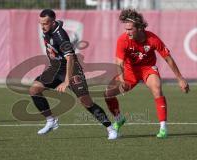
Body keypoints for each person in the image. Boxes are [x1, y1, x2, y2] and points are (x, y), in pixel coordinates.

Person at [29, 9, 117, 140]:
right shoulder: (48, 28)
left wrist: (66, 81)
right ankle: (51, 121)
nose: (42, 26)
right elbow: (59, 22)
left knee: (86, 102)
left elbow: (70, 59)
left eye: (45, 23)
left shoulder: (61, 37)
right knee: (34, 89)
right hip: (55, 68)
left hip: (72, 69)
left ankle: (111, 129)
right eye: (40, 23)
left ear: (52, 23)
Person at [104, 9, 190, 138]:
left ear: (139, 28)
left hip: (147, 68)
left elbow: (168, 58)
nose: (127, 32)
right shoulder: (123, 40)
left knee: (157, 88)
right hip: (129, 71)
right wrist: (122, 81)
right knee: (108, 94)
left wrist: (180, 78)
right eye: (125, 29)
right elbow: (119, 63)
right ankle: (119, 118)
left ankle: (163, 128)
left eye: (130, 29)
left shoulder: (152, 38)